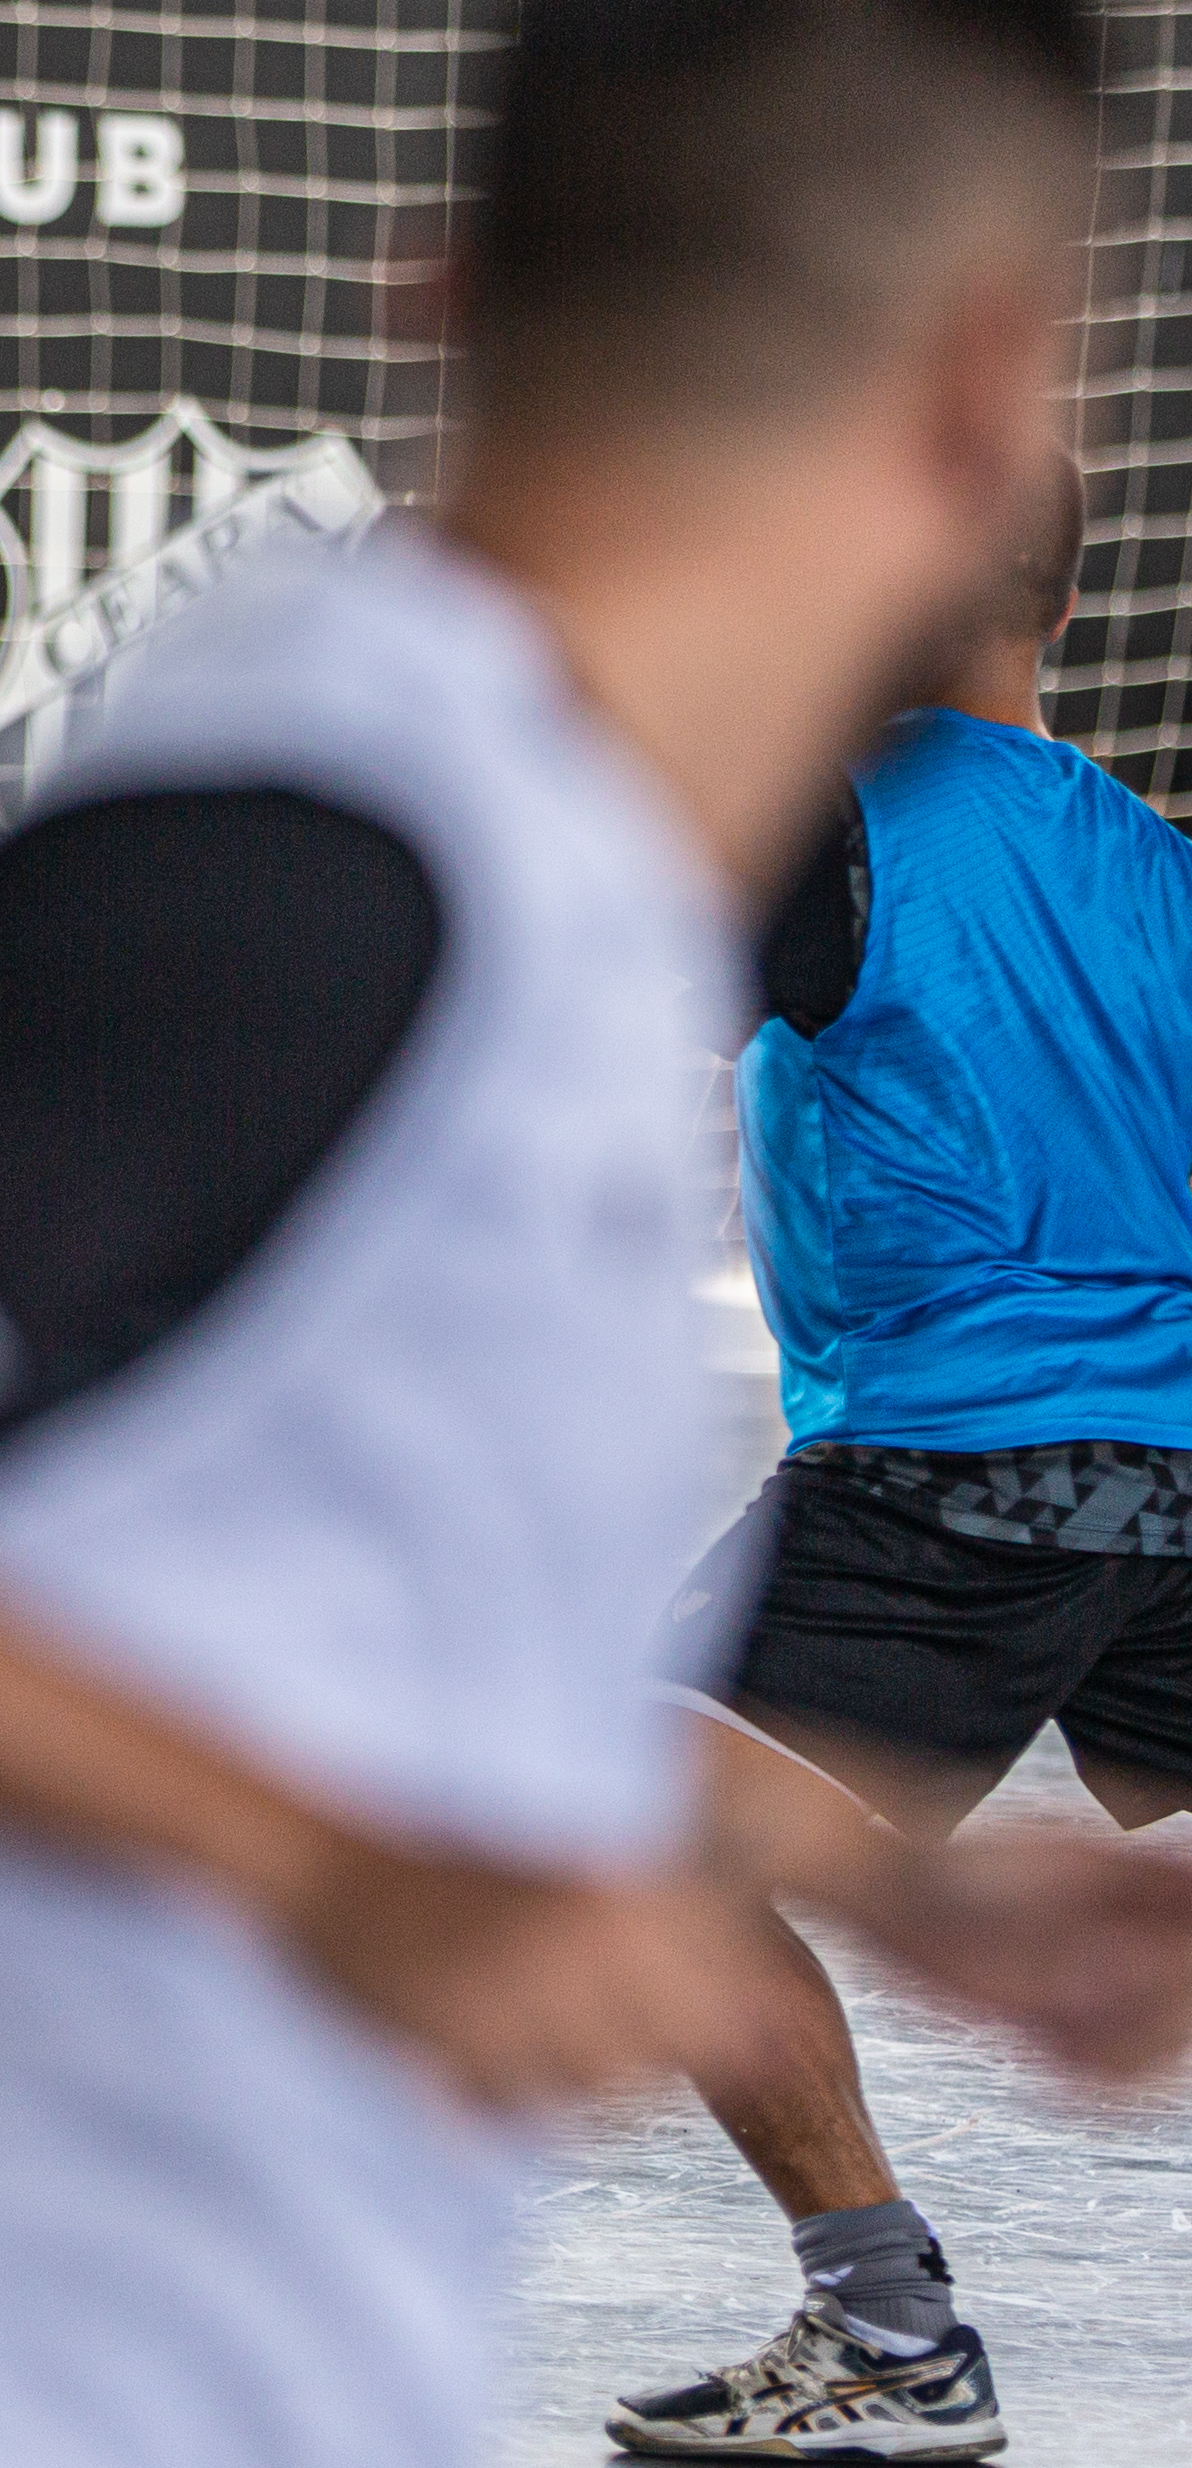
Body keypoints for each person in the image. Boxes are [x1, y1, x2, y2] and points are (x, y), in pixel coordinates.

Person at [0, 6, 1192, 2466]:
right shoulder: (358, 828)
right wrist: (343, 1875)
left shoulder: (559, 851)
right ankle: (886, 2326)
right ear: (989, 380)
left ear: (442, 291)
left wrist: (905, 1890)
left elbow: (338, 1620)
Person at [604, 461, 1181, 2460]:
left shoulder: (827, 822)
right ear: (1065, 610)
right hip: (1183, 1475)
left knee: (641, 1837)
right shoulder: (1162, 865)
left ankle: (890, 2333)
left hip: (952, 1478)